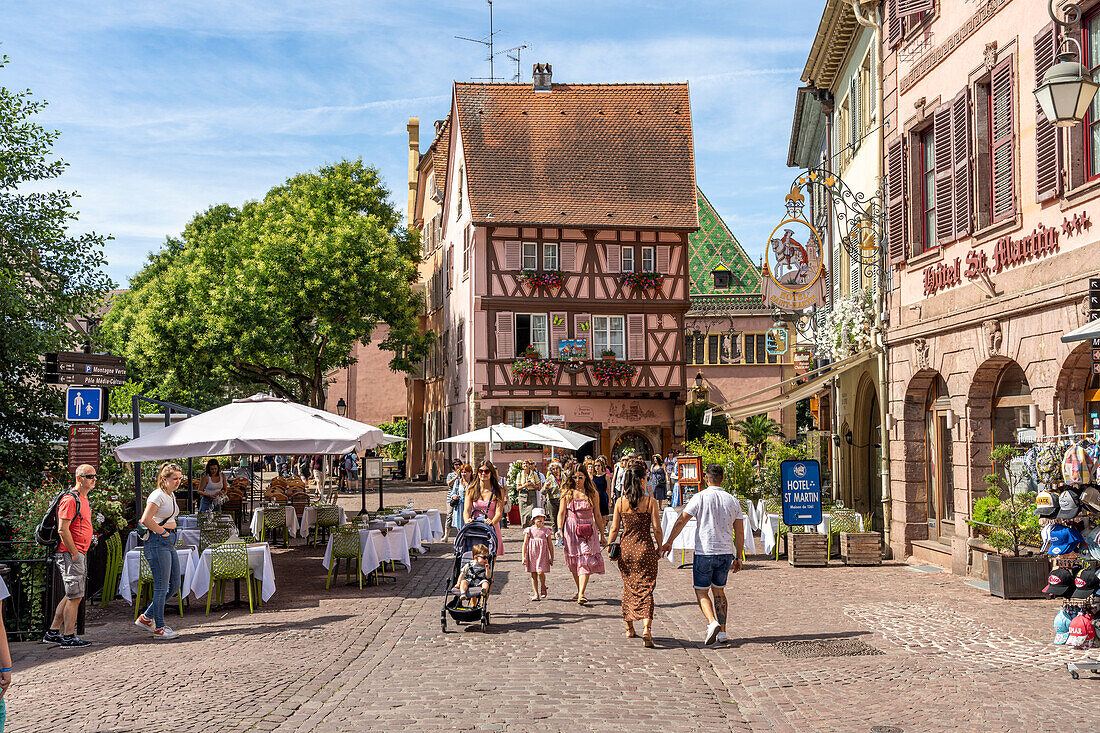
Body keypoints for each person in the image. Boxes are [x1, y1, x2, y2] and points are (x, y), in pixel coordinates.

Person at [661, 464, 744, 646]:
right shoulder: (732, 500)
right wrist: (738, 556)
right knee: (719, 591)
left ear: (706, 479)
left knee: (701, 591)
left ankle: (711, 621)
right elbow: (739, 530)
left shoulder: (699, 497)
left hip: (705, 551)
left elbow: (682, 519)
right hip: (725, 552)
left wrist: (669, 541)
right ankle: (722, 632)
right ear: (723, 478)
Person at [608, 462, 663, 647]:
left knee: (629, 587)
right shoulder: (650, 502)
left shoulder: (620, 502)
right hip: (645, 549)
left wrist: (609, 546)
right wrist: (661, 547)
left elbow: (615, 528)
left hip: (626, 549)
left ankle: (629, 628)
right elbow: (656, 529)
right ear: (641, 481)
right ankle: (647, 627)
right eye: (645, 478)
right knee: (646, 588)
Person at [43, 464, 96, 648]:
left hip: (78, 551)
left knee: (72, 594)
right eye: (90, 476)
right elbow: (62, 529)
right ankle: (68, 636)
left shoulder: (83, 498)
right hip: (70, 553)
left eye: (95, 476)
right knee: (75, 596)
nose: (94, 479)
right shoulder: (70, 499)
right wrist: (74, 552)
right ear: (79, 478)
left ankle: (53, 631)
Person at [134, 462, 184, 640]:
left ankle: (147, 617)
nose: (178, 481)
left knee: (175, 584)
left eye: (179, 478)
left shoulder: (170, 495)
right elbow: (146, 519)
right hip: (158, 541)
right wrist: (163, 532)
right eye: (174, 479)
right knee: (162, 586)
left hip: (168, 541)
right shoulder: (158, 495)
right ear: (164, 479)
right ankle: (159, 628)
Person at [557, 464, 605, 605]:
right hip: (571, 529)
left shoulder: (592, 493)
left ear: (585, 478)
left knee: (585, 558)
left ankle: (582, 593)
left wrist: (602, 533)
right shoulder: (567, 492)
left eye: (580, 477)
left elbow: (597, 514)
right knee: (574, 561)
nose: (577, 480)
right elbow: (561, 513)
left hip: (588, 530)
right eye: (574, 477)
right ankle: (580, 590)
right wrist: (559, 529)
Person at [464, 460, 506, 555]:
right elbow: (466, 510)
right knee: (476, 559)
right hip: (476, 526)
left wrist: (492, 522)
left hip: (491, 527)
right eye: (480, 471)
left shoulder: (498, 491)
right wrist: (467, 520)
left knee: (490, 560)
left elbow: (499, 512)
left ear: (491, 473)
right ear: (477, 473)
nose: (483, 473)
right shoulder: (471, 490)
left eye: (486, 471)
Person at [523, 508, 553, 601]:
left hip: (542, 554)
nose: (539, 519)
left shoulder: (546, 530)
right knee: (533, 573)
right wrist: (523, 556)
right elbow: (525, 543)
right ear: (533, 519)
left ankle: (543, 586)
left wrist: (552, 557)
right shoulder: (529, 530)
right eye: (537, 517)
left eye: (541, 517)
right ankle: (536, 593)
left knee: (540, 572)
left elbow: (550, 545)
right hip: (532, 554)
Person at [454, 543, 492, 608]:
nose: (486, 559)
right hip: (469, 580)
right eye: (484, 557)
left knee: (486, 582)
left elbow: (488, 577)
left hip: (480, 581)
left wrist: (487, 569)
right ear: (475, 558)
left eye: (487, 557)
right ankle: (463, 593)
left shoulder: (485, 566)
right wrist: (458, 583)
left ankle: (484, 590)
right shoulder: (469, 565)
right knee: (463, 582)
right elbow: (462, 574)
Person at [448, 464, 474, 536]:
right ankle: (461, 539)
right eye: (462, 472)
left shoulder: (474, 483)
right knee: (459, 526)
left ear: (470, 472)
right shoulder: (458, 482)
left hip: (471, 507)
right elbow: (452, 493)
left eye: (465, 472)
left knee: (470, 525)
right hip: (460, 506)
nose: (463, 474)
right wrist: (454, 496)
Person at [542, 461, 564, 543]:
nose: (555, 470)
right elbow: (542, 491)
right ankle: (557, 537)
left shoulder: (564, 477)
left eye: (557, 468)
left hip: (562, 500)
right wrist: (546, 488)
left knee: (563, 519)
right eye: (553, 469)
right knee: (554, 520)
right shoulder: (549, 478)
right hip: (552, 500)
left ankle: (563, 536)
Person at [516, 459, 542, 527]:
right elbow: (517, 488)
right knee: (523, 514)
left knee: (531, 513)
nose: (525, 465)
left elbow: (539, 486)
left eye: (527, 463)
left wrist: (532, 485)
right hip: (523, 495)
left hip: (532, 494)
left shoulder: (534, 474)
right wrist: (524, 485)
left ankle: (532, 528)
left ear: (529, 465)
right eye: (524, 464)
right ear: (522, 466)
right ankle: (525, 529)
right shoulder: (520, 474)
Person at [591, 456, 612, 525]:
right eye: (595, 466)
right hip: (595, 497)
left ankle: (602, 534)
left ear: (602, 466)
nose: (597, 467)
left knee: (603, 517)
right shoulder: (592, 477)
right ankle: (596, 533)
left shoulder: (606, 476)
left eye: (598, 466)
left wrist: (609, 501)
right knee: (595, 516)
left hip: (603, 497)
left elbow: (608, 489)